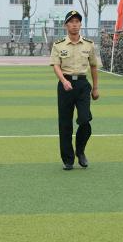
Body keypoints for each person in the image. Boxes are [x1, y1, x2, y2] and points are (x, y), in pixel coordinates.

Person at [50, 10, 100, 170]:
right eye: (71, 22)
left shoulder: (88, 44)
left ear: (80, 24)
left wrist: (95, 88)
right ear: (66, 25)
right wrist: (63, 80)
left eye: (77, 22)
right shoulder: (58, 45)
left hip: (83, 85)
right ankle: (68, 160)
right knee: (65, 124)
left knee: (85, 120)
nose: (74, 25)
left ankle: (80, 151)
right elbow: (56, 65)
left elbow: (93, 66)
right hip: (65, 84)